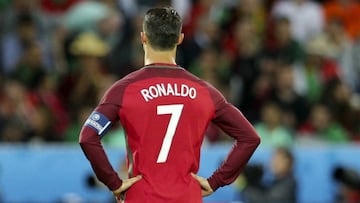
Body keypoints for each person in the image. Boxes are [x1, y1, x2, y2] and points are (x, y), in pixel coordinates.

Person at [79, 7, 260, 203]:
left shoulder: (124, 90)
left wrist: (113, 182)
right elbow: (249, 137)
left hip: (142, 196)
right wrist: (216, 181)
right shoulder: (205, 92)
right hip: (187, 197)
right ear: (180, 39)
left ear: (143, 37)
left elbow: (88, 137)